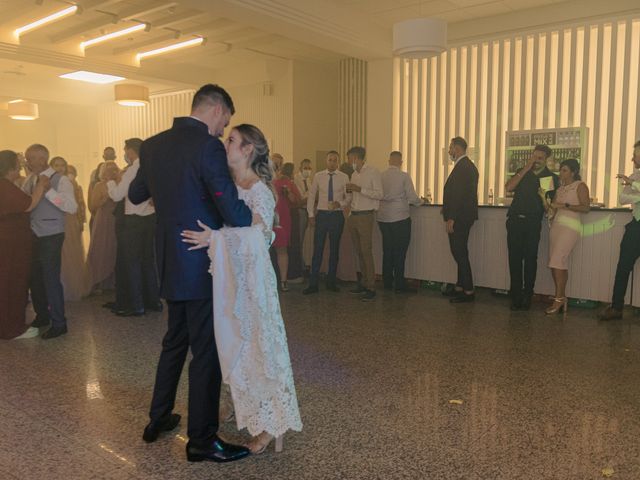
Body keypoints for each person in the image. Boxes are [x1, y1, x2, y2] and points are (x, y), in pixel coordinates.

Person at [128, 84, 251, 463]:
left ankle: (158, 417)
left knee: (174, 341)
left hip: (168, 259)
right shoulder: (206, 146)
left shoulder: (151, 145)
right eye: (225, 120)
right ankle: (201, 439)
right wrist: (250, 217)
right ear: (216, 109)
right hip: (200, 260)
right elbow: (228, 206)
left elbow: (135, 194)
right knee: (206, 351)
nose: (223, 129)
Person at [181, 123, 302, 454]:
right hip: (230, 278)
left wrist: (215, 238)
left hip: (252, 282)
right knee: (232, 344)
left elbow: (262, 237)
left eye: (232, 140)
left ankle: (270, 426)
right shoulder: (228, 186)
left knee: (258, 348)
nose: (226, 143)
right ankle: (239, 403)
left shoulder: (259, 189)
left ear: (248, 149)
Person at [22, 144, 78, 339]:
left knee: (50, 278)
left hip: (52, 234)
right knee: (35, 278)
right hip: (33, 234)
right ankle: (42, 315)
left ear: (42, 158)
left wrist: (47, 191)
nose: (27, 162)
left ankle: (59, 322)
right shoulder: (29, 179)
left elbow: (71, 207)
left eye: (30, 158)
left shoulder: (61, 180)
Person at [107, 138, 160, 316]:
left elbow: (117, 195)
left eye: (125, 151)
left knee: (133, 263)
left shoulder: (133, 170)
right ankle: (154, 301)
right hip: (150, 218)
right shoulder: (154, 167)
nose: (124, 154)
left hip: (134, 221)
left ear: (130, 151)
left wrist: (110, 181)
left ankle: (136, 305)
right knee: (148, 262)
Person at [504, 145, 559, 310]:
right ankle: (515, 295)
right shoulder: (523, 171)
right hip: (515, 220)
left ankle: (528, 294)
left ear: (546, 160)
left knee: (529, 259)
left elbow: (547, 206)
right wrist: (526, 167)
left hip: (532, 222)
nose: (536, 161)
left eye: (540, 158)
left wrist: (544, 198)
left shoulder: (548, 177)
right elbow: (509, 187)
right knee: (514, 259)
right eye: (534, 157)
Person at [0, 150, 48, 340]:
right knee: (13, 283)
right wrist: (42, 186)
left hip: (10, 241)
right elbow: (28, 204)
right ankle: (12, 328)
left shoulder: (7, 185)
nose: (22, 165)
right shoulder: (4, 186)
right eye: (18, 162)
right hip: (11, 243)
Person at [599, 141, 640, 320]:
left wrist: (633, 185)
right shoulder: (635, 174)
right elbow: (623, 198)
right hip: (636, 226)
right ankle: (616, 308)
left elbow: (630, 193)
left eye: (636, 154)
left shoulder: (633, 178)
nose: (633, 158)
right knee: (623, 266)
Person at [544, 159, 590, 315]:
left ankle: (559, 299)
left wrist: (565, 206)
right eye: (560, 170)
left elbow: (586, 207)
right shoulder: (560, 188)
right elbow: (552, 210)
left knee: (557, 259)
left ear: (573, 172)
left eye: (564, 170)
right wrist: (544, 199)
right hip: (557, 225)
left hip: (570, 226)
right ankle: (561, 297)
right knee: (555, 262)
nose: (561, 173)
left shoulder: (580, 186)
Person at [303, 151, 349, 294]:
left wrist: (340, 203)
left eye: (335, 160)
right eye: (330, 160)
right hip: (322, 215)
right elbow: (311, 196)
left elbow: (349, 197)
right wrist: (311, 214)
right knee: (318, 249)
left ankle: (331, 282)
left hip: (336, 215)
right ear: (326, 161)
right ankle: (313, 284)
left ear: (338, 162)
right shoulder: (318, 176)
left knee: (334, 250)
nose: (332, 162)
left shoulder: (344, 177)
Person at [378, 151, 422, 293]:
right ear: (401, 162)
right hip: (400, 218)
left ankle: (386, 282)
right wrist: (421, 201)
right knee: (400, 252)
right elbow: (412, 197)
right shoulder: (404, 176)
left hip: (383, 218)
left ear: (389, 160)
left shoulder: (381, 176)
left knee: (387, 250)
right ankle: (399, 284)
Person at [442, 136, 479, 303]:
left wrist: (451, 218)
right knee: (459, 251)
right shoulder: (466, 166)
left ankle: (468, 290)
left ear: (457, 149)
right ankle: (460, 286)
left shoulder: (463, 167)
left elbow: (458, 196)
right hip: (463, 216)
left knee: (459, 252)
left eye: (450, 148)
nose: (449, 151)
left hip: (460, 217)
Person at [346, 146, 383, 302]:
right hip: (353, 215)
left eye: (350, 158)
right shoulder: (354, 174)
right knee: (359, 251)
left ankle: (371, 287)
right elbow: (353, 196)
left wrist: (360, 189)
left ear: (357, 158)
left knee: (366, 251)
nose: (349, 162)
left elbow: (380, 194)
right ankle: (363, 282)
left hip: (366, 216)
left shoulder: (373, 172)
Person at [86, 161, 119, 294]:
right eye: (108, 170)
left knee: (114, 247)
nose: (111, 172)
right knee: (100, 247)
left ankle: (114, 280)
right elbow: (93, 206)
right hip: (104, 219)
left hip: (117, 220)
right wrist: (104, 199)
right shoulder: (99, 185)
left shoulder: (120, 185)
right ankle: (97, 280)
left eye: (114, 169)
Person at [60, 162, 89, 301]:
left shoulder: (72, 185)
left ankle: (72, 286)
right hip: (57, 221)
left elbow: (78, 205)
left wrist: (81, 221)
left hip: (69, 220)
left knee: (71, 251)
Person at [273, 162, 302, 291]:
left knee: (282, 249)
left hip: (283, 218)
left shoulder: (288, 183)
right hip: (267, 218)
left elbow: (296, 201)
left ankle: (283, 281)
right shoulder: (264, 184)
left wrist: (289, 192)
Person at [88, 147, 116, 232]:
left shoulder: (118, 173)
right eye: (107, 154)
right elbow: (90, 196)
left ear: (115, 156)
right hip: (99, 212)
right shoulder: (95, 175)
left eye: (111, 154)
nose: (109, 156)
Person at [294, 159, 314, 271]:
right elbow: (302, 197)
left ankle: (304, 264)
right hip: (301, 211)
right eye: (305, 168)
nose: (307, 170)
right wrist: (309, 197)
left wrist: (310, 197)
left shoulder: (309, 180)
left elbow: (310, 195)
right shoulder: (296, 179)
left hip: (308, 211)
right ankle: (299, 266)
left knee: (307, 241)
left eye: (309, 168)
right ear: (300, 168)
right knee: (300, 239)